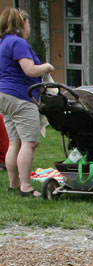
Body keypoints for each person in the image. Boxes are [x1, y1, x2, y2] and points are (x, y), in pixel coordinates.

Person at [0, 7, 54, 197]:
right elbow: (30, 70)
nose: (29, 26)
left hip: (4, 96)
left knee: (15, 142)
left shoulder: (3, 42)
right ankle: (26, 187)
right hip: (20, 96)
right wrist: (46, 66)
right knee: (29, 143)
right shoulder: (18, 42)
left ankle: (13, 184)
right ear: (20, 24)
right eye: (28, 22)